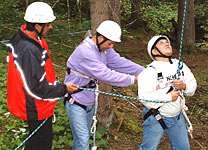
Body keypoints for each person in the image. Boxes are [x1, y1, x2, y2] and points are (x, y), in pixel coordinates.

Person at [7, 2, 78, 150]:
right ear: (37, 26)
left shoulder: (25, 38)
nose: (51, 27)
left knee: (36, 142)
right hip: (36, 105)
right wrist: (64, 89)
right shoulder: (28, 50)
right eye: (48, 24)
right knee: (41, 144)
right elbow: (37, 87)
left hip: (34, 101)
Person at [64, 20, 145, 150]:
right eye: (110, 43)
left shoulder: (104, 49)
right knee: (83, 140)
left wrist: (145, 72)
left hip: (89, 101)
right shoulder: (85, 52)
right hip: (75, 101)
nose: (111, 46)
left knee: (81, 141)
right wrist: (134, 80)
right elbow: (106, 75)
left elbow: (120, 63)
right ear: (100, 37)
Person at [138, 35, 197, 150]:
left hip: (177, 117)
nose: (166, 44)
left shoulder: (180, 65)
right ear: (154, 51)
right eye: (161, 43)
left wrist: (184, 86)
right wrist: (168, 97)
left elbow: (192, 86)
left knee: (183, 148)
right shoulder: (149, 71)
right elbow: (144, 97)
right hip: (156, 118)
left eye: (167, 42)